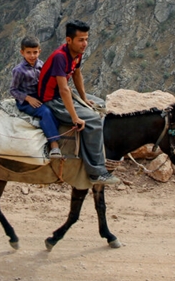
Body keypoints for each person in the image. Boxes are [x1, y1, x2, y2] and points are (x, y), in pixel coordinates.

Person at [38, 20, 121, 186]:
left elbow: (76, 74)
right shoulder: (60, 57)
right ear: (69, 40)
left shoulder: (76, 53)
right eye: (81, 40)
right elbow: (63, 90)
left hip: (63, 95)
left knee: (98, 104)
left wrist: (84, 98)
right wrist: (75, 117)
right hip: (52, 100)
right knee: (93, 119)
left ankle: (93, 149)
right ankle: (97, 172)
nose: (85, 43)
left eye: (86, 39)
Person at [10, 36, 62, 159]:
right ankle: (54, 145)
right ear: (22, 52)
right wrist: (28, 98)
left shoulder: (41, 65)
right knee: (45, 112)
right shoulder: (19, 70)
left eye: (35, 52)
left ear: (39, 51)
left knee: (58, 107)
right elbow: (13, 90)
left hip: (40, 96)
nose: (32, 56)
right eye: (28, 53)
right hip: (27, 101)